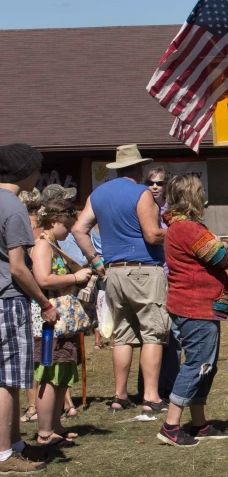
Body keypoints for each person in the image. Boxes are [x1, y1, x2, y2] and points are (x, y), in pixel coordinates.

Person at [72, 144, 170, 413]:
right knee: (153, 332)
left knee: (122, 335)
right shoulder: (142, 193)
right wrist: (175, 231)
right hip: (144, 269)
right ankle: (151, 397)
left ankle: (119, 396)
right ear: (138, 168)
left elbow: (79, 229)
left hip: (113, 271)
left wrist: (95, 259)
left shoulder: (98, 194)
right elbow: (152, 235)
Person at [156, 175, 228, 447]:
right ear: (190, 197)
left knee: (206, 366)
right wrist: (224, 246)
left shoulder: (182, 227)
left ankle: (199, 423)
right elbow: (219, 256)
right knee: (197, 364)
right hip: (195, 306)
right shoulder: (187, 228)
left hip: (199, 306)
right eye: (200, 191)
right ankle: (171, 425)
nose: (204, 196)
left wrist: (221, 245)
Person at [0, 143, 54, 473]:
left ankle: (15, 443)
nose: (39, 175)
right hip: (7, 300)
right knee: (5, 380)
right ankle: (4, 454)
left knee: (13, 379)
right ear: (24, 172)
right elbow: (19, 268)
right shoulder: (14, 208)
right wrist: (45, 302)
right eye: (37, 169)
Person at [30, 199, 92, 448]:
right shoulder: (43, 245)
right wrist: (75, 276)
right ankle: (45, 432)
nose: (68, 231)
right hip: (50, 323)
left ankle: (55, 426)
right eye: (66, 225)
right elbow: (42, 278)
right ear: (54, 221)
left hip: (62, 322)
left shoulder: (54, 244)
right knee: (50, 375)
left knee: (63, 374)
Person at [138, 166, 181, 401]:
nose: (154, 187)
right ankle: (148, 388)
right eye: (151, 182)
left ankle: (171, 385)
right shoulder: (141, 208)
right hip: (149, 276)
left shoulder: (171, 212)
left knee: (173, 335)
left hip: (170, 276)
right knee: (152, 336)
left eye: (160, 183)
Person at [17, 189, 42, 426]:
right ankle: (63, 404)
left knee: (32, 356)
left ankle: (34, 406)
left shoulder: (25, 224)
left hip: (31, 295)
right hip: (40, 296)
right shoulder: (42, 227)